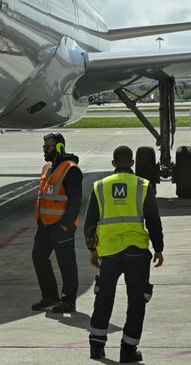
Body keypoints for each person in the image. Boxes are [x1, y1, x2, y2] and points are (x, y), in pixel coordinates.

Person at [85, 145, 164, 362]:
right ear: (132, 163)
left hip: (109, 252)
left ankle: (96, 346)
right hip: (136, 252)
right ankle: (128, 350)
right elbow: (153, 220)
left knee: (104, 298)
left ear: (113, 163)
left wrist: (93, 250)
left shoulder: (100, 186)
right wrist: (158, 247)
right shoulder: (142, 185)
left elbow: (90, 223)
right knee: (136, 301)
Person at [31, 132, 82, 314]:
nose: (45, 150)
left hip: (61, 226)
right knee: (38, 257)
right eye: (44, 146)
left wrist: (65, 224)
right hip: (45, 225)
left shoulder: (71, 169)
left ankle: (68, 300)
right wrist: (40, 221)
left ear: (59, 147)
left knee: (66, 263)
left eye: (48, 147)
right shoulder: (47, 167)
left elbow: (75, 201)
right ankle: (50, 296)